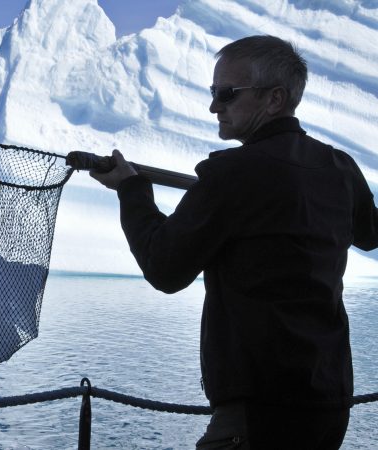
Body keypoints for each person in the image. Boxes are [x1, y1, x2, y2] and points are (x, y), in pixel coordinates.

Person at [89, 35, 378, 449]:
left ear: (274, 99)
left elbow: (164, 267)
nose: (213, 106)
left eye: (226, 94)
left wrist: (131, 191)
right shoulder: (338, 168)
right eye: (213, 92)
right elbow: (371, 233)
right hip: (330, 404)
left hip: (258, 415)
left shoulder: (231, 174)